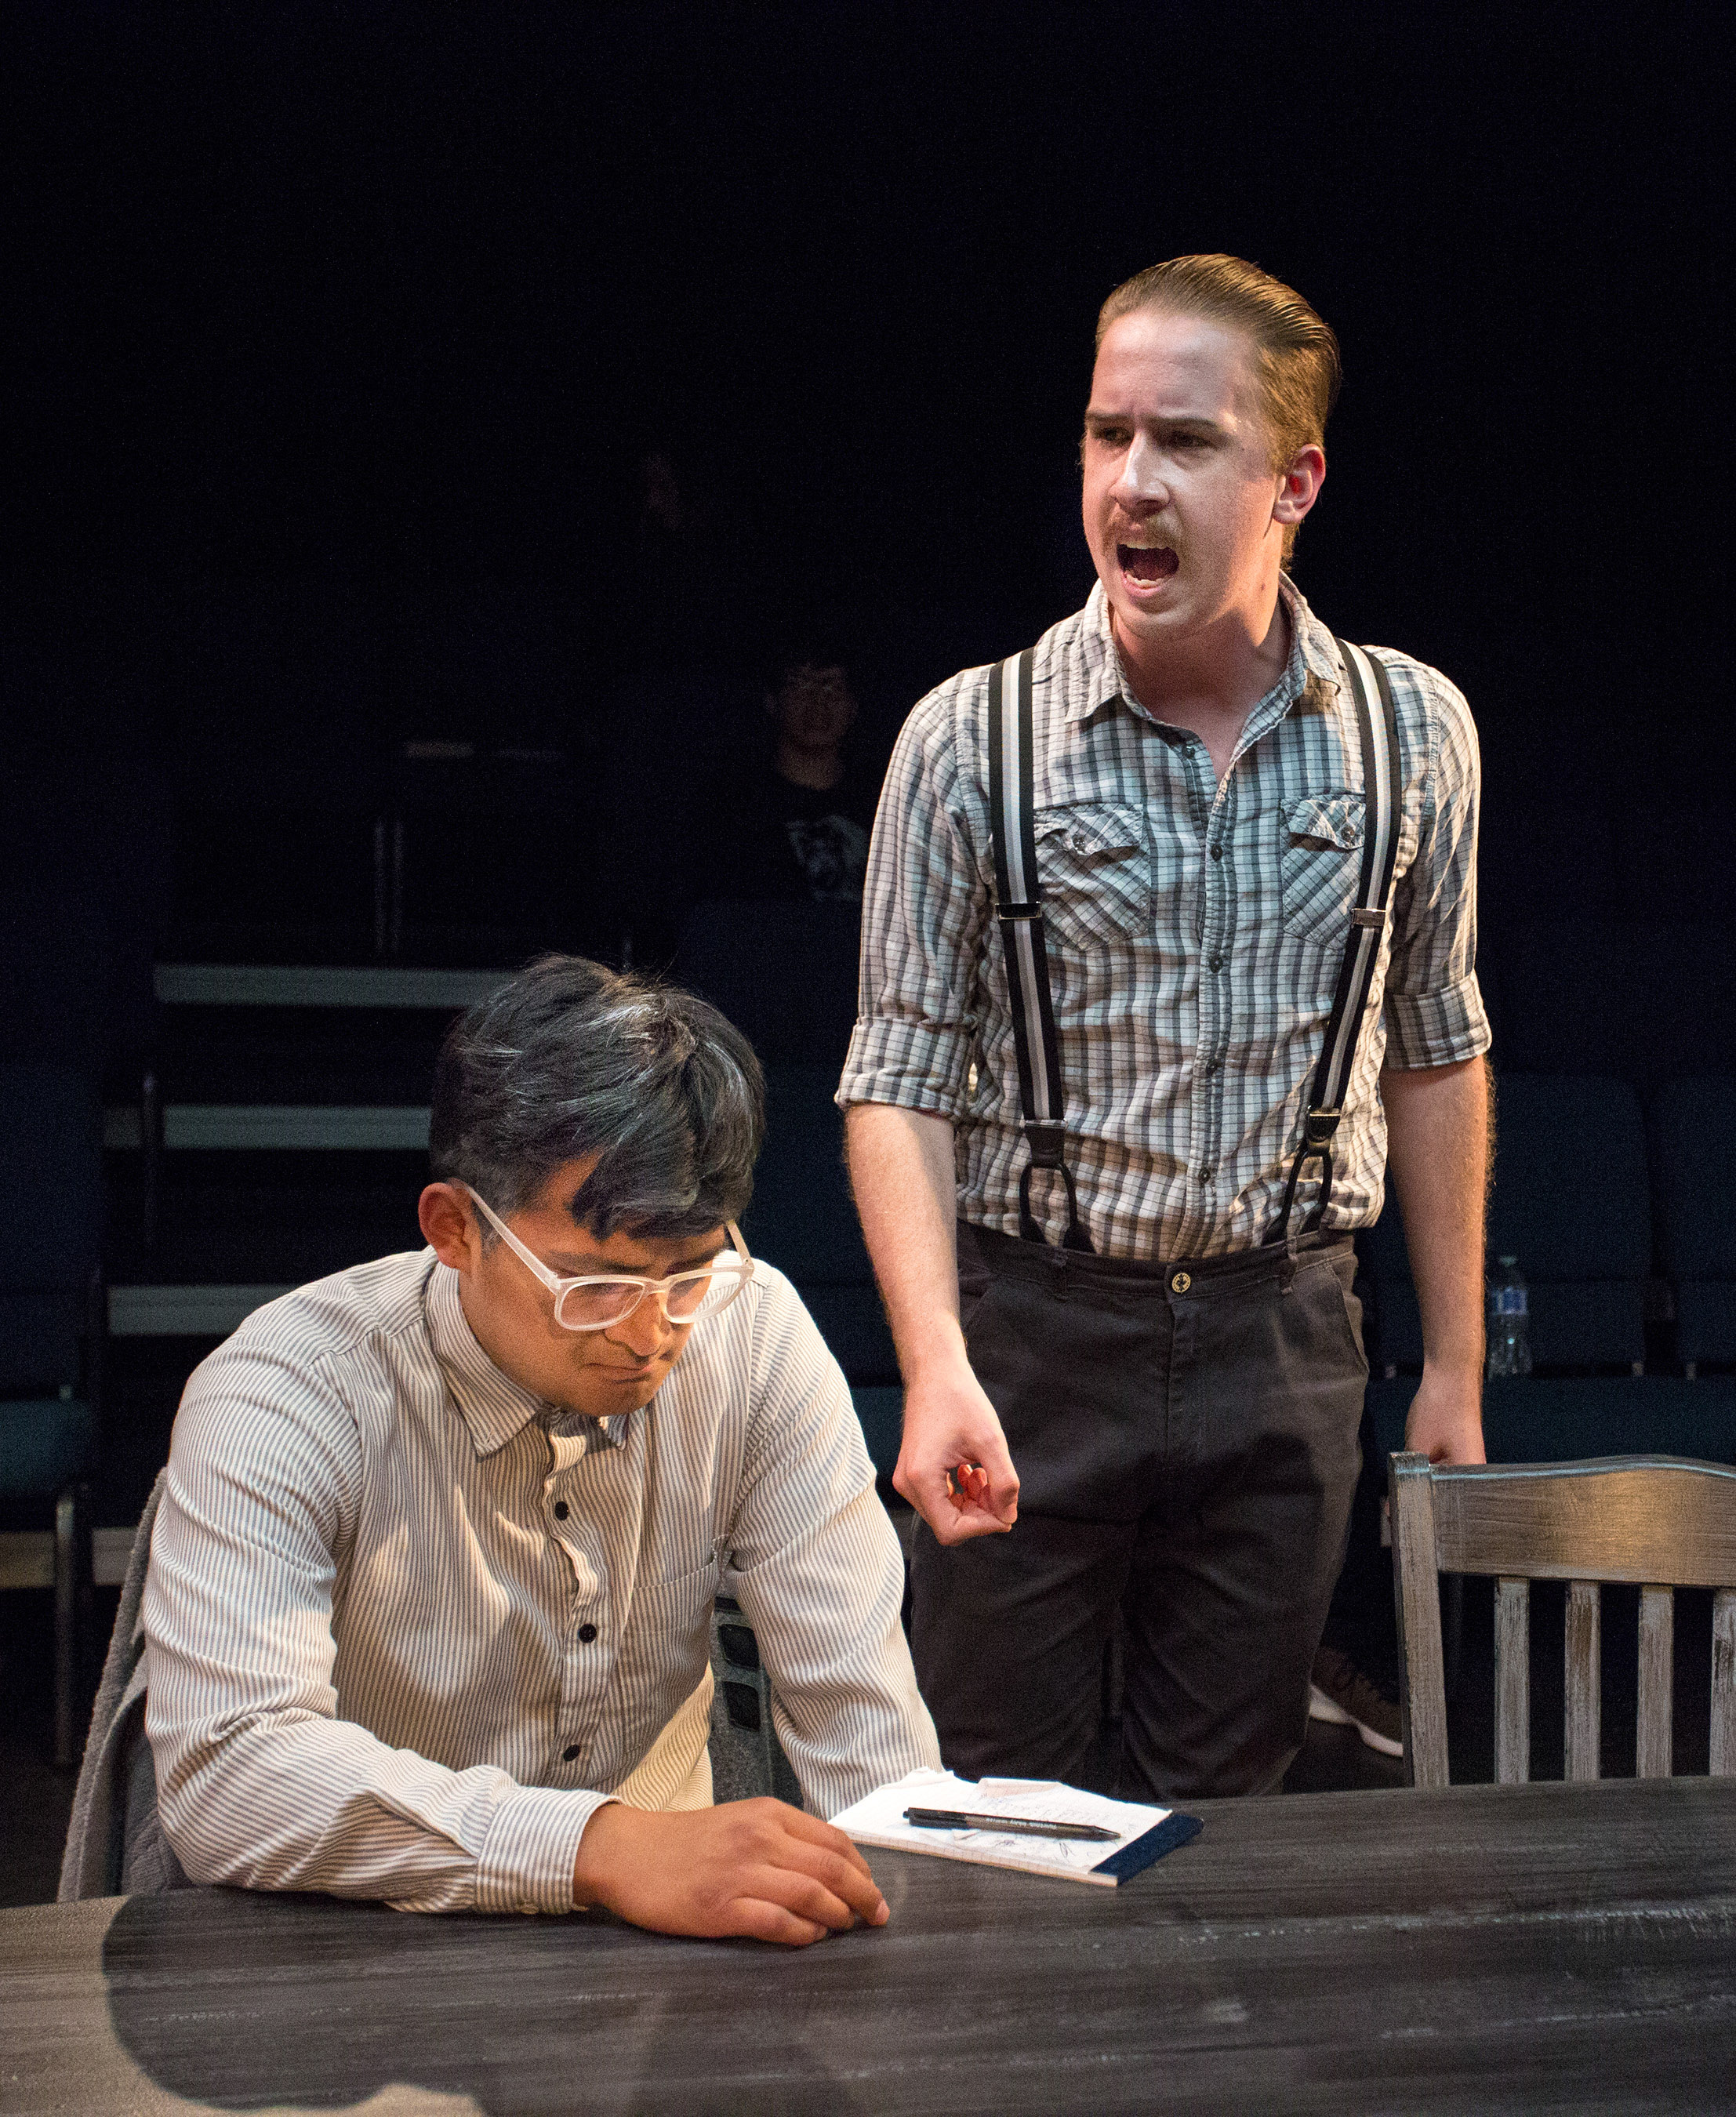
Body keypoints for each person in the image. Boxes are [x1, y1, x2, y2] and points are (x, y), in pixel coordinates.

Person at [839, 254, 1490, 1799]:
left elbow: (1434, 1044)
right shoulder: (971, 738)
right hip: (1038, 1333)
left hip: (1283, 1335)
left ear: (1292, 484)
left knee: (1227, 1813)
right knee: (990, 1807)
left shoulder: (1410, 731)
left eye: (1185, 441)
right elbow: (897, 1074)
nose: (1130, 480)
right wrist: (933, 1364)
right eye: (1105, 433)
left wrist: (1455, 1364)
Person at [144, 955, 939, 1943]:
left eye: (690, 1276)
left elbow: (865, 1730)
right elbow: (229, 1771)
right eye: (594, 1286)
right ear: (454, 1229)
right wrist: (597, 1848)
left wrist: (911, 1928)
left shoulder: (756, 1337)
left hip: (669, 1946)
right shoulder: (290, 1392)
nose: (651, 1334)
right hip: (359, 1939)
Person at [692, 645, 881, 906]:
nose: (818, 701)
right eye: (801, 685)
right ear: (772, 701)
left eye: (833, 687)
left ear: (853, 707)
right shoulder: (733, 807)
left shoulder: (882, 802)